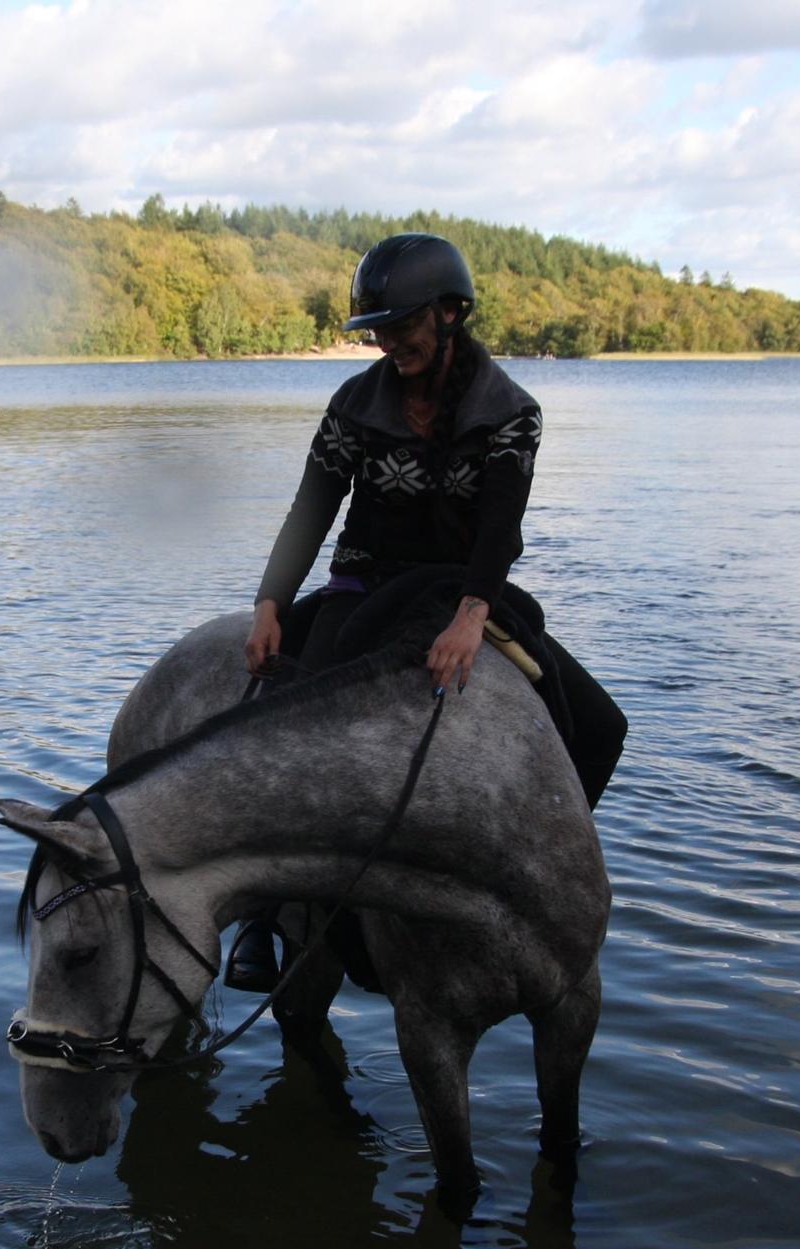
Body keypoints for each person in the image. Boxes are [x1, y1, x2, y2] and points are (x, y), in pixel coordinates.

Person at [226, 232, 626, 991]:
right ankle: (262, 918)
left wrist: (473, 614)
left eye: (401, 327)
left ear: (450, 314)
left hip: (463, 588)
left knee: (604, 728)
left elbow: (500, 526)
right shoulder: (355, 402)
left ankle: (541, 874)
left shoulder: (509, 410)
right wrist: (269, 603)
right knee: (286, 729)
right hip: (365, 585)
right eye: (376, 330)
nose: (386, 342)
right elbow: (312, 508)